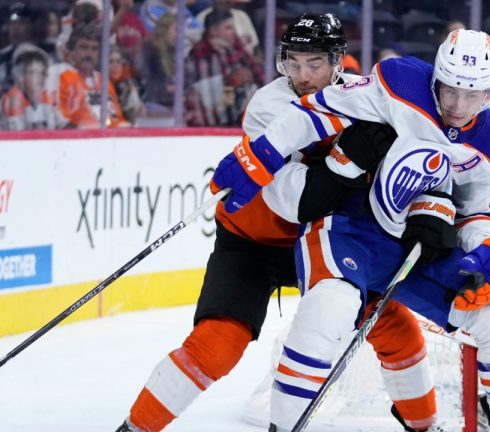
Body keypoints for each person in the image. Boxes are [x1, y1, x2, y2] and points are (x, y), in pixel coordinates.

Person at [116, 13, 428, 432]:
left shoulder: (363, 97)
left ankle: (426, 426)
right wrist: (347, 160)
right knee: (218, 344)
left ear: (338, 62)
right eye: (293, 62)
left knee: (395, 326)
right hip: (254, 240)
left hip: (328, 242)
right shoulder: (269, 106)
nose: (302, 75)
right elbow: (296, 201)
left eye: (314, 63)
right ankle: (135, 427)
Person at [211, 29, 490, 431]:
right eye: (449, 91)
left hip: (415, 242)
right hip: (348, 225)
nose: (458, 106)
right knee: (330, 307)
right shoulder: (399, 82)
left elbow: (475, 213)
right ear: (435, 78)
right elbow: (316, 110)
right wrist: (263, 152)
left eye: (473, 96)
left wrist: (489, 248)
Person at [184, 8, 260, 126]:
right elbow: (195, 97)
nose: (234, 31)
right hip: (210, 124)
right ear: (213, 31)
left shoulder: (236, 48)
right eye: (228, 28)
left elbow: (261, 76)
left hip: (241, 119)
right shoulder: (199, 55)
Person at [58, 22, 128, 128]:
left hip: (104, 140)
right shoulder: (62, 76)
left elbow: (113, 120)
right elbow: (61, 124)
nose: (89, 53)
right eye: (84, 47)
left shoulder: (104, 81)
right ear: (72, 51)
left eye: (94, 49)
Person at [0, 49, 58, 130]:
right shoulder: (13, 99)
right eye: (33, 72)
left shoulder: (47, 98)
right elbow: (18, 137)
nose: (40, 77)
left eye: (43, 73)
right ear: (21, 76)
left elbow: (53, 130)